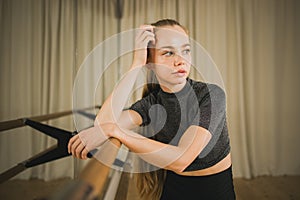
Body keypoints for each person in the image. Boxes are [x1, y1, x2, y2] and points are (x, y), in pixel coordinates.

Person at [68, 19, 236, 200]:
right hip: (174, 189)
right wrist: (136, 64)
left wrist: (115, 130)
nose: (180, 61)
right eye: (168, 53)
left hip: (216, 191)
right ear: (151, 62)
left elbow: (181, 159)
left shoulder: (211, 94)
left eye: (185, 50)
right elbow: (101, 126)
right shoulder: (151, 104)